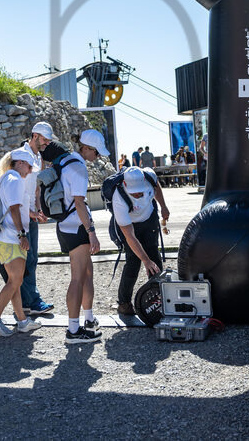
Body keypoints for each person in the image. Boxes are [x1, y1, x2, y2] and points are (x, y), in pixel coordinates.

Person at [0, 148, 45, 337]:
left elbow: (14, 207)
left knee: (14, 282)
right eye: (28, 166)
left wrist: (33, 214)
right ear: (19, 163)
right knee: (15, 281)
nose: (29, 171)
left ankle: (22, 321)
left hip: (6, 237)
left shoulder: (6, 178)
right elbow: (14, 209)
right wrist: (22, 235)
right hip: (10, 238)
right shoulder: (15, 179)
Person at [57, 129, 110, 344]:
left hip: (66, 225)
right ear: (86, 148)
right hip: (76, 227)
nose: (97, 157)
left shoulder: (66, 161)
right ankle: (73, 329)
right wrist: (92, 233)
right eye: (96, 153)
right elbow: (79, 203)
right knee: (78, 277)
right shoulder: (78, 168)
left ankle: (88, 320)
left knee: (87, 274)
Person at [112, 167, 171, 315]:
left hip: (149, 219)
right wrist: (145, 260)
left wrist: (163, 206)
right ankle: (124, 303)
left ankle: (158, 297)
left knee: (154, 257)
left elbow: (156, 188)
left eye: (140, 190)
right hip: (130, 225)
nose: (138, 194)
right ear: (125, 185)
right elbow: (130, 236)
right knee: (133, 261)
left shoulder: (149, 176)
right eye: (134, 192)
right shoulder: (118, 198)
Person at [18, 122, 55, 317]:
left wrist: (39, 209)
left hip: (31, 214)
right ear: (34, 136)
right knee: (25, 259)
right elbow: (16, 189)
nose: (47, 143)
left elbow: (36, 188)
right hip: (20, 216)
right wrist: (29, 212)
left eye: (48, 140)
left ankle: (27, 302)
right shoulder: (19, 156)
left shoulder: (39, 157)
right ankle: (32, 301)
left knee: (32, 259)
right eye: (44, 139)